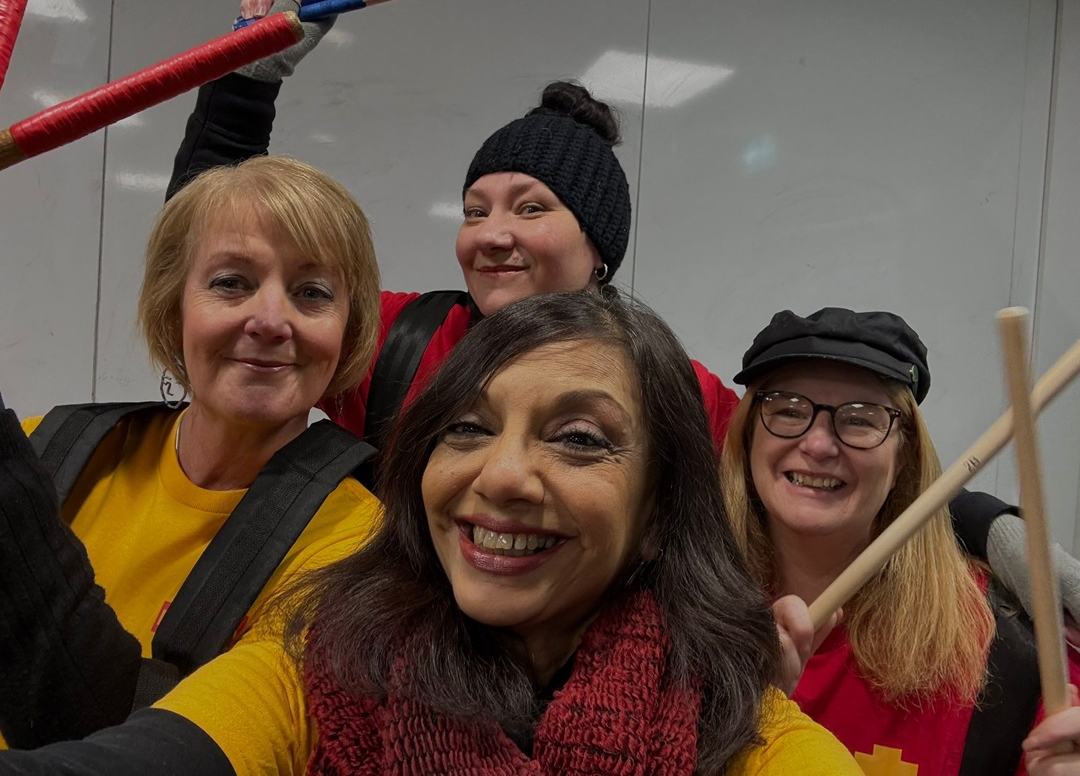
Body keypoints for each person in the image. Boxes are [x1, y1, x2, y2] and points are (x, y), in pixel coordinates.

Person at [166, 0, 1080, 635]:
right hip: (381, 669)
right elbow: (216, 260)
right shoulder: (401, 338)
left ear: (600, 250)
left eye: (531, 208)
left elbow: (828, 457)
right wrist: (245, 89)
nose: (493, 232)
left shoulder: (661, 384)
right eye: (475, 207)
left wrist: (994, 529)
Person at [0, 290, 864, 775]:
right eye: (468, 427)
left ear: (656, 517)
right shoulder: (319, 660)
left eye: (579, 439)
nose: (500, 475)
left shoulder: (735, 731)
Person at [0, 155, 383, 748]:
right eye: (231, 282)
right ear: (172, 304)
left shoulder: (357, 546)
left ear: (348, 330)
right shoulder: (44, 446)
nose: (271, 320)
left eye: (312, 293)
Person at [719, 306, 1080, 775]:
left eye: (860, 419)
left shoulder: (1003, 650)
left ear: (904, 453)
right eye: (788, 410)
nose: (820, 444)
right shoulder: (677, 617)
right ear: (747, 434)